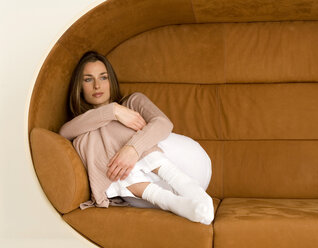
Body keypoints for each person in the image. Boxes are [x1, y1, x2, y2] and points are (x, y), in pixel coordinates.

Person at [59, 51, 214, 225]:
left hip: (183, 165)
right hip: (141, 195)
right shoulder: (83, 127)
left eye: (103, 77)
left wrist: (132, 148)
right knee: (85, 138)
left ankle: (189, 189)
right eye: (88, 79)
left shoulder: (133, 101)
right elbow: (65, 132)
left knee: (95, 133)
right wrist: (114, 111)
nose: (97, 85)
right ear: (79, 87)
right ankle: (174, 203)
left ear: (111, 80)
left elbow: (163, 123)